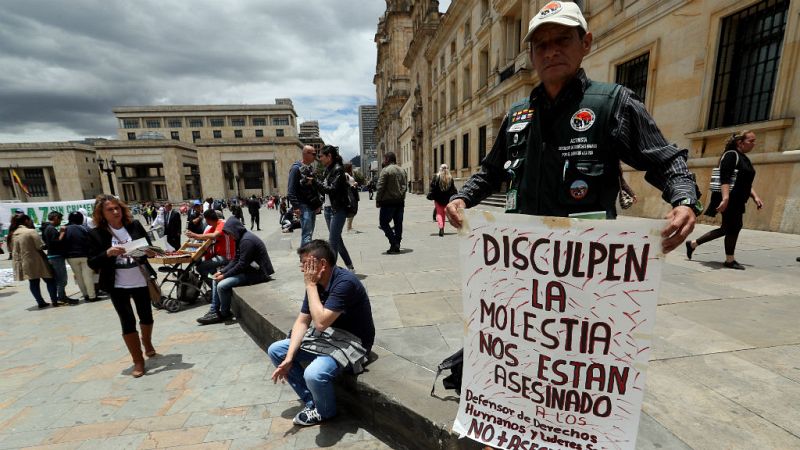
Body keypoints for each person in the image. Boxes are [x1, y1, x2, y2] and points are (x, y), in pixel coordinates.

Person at [445, 1, 700, 254]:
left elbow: (664, 160)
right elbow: (490, 172)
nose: (551, 52)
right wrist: (462, 197)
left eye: (562, 40)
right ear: (532, 54)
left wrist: (685, 201)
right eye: (541, 45)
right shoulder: (517, 114)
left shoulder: (613, 103)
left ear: (585, 43)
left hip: (585, 263)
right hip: (524, 260)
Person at [268, 240, 374, 426]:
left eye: (305, 263)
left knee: (313, 373)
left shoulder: (345, 282)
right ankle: (313, 402)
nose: (303, 269)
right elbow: (302, 321)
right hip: (330, 336)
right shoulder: (316, 283)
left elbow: (320, 323)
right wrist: (289, 357)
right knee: (277, 350)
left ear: (322, 264)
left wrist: (309, 286)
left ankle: (326, 412)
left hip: (353, 342)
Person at [87, 195, 158, 378]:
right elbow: (92, 262)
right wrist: (108, 253)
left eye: (117, 208)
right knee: (127, 321)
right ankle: (138, 360)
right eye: (110, 209)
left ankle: (147, 342)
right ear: (101, 213)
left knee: (146, 316)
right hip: (117, 284)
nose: (116, 212)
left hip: (140, 279)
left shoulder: (134, 225)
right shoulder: (96, 234)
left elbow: (148, 249)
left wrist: (149, 252)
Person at [685, 131, 763, 269]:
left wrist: (755, 197)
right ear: (740, 142)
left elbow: (745, 183)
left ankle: (693, 244)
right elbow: (724, 178)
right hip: (729, 199)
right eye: (751, 141)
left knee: (729, 228)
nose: (754, 144)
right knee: (733, 227)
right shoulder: (731, 155)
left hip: (738, 199)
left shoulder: (744, 158)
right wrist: (725, 198)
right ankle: (729, 260)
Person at [197, 217, 274, 325]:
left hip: (258, 273)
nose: (229, 236)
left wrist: (224, 276)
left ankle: (224, 313)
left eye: (230, 233)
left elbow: (241, 265)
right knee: (215, 279)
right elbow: (235, 260)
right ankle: (214, 310)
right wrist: (222, 272)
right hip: (249, 269)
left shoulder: (247, 241)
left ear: (235, 229)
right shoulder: (240, 238)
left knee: (221, 285)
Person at [312, 145, 355, 271]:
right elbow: (324, 192)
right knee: (337, 240)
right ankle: (350, 267)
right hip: (328, 209)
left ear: (329, 156)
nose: (319, 158)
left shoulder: (338, 170)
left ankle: (331, 273)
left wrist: (315, 181)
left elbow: (331, 190)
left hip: (338, 210)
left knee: (332, 243)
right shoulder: (327, 170)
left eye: (321, 156)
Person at [10, 215, 57, 309]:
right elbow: (39, 246)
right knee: (50, 280)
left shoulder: (13, 234)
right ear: (26, 220)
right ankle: (54, 300)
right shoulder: (30, 231)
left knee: (33, 282)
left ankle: (40, 302)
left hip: (24, 262)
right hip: (37, 260)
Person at [186, 209, 236, 292]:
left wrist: (195, 235)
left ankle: (215, 285)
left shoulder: (222, 223)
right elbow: (204, 237)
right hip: (219, 255)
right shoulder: (213, 227)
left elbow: (214, 235)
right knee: (206, 267)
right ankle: (214, 280)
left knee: (201, 268)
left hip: (227, 256)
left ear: (207, 219)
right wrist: (192, 244)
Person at [287, 145, 323, 246]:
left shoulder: (309, 168)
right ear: (305, 154)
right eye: (313, 154)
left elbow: (313, 189)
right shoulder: (296, 168)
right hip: (303, 205)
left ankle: (306, 257)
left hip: (311, 205)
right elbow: (290, 189)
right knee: (307, 235)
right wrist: (296, 206)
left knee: (309, 234)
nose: (315, 156)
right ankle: (305, 259)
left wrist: (317, 204)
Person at [60, 211, 99, 302]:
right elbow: (92, 242)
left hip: (71, 257)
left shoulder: (64, 229)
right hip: (85, 256)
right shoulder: (85, 229)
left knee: (79, 276)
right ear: (81, 219)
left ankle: (85, 295)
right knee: (87, 276)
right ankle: (92, 296)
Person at [41, 211, 77, 305]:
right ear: (56, 217)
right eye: (60, 219)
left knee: (59, 279)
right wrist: (62, 232)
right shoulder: (51, 229)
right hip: (56, 257)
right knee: (62, 279)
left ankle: (62, 296)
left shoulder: (47, 228)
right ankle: (61, 297)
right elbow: (55, 242)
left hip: (53, 256)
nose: (60, 221)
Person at [375, 152, 407, 254]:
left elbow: (380, 187)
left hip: (388, 202)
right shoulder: (402, 170)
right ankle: (397, 243)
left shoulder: (386, 170)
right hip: (400, 202)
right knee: (398, 224)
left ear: (388, 159)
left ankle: (393, 243)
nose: (383, 161)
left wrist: (378, 200)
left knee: (383, 223)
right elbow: (405, 186)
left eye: (384, 159)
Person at [429, 164, 458, 237]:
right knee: (444, 214)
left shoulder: (436, 177)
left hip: (438, 198)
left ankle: (441, 227)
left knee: (439, 213)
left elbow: (432, 186)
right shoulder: (450, 178)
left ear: (440, 169)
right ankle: (443, 228)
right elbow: (453, 189)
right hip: (447, 199)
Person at [344, 163, 359, 232]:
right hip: (350, 194)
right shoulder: (346, 175)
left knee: (354, 209)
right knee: (352, 209)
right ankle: (348, 227)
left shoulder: (349, 174)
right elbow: (347, 184)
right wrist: (354, 184)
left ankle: (350, 226)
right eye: (351, 167)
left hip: (353, 193)